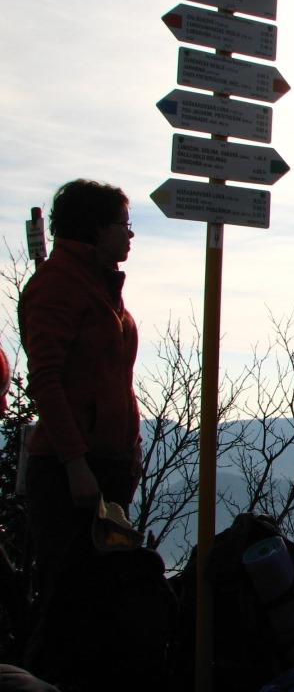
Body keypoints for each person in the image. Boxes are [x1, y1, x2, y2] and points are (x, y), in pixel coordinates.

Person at [17, 179, 141, 676]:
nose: (130, 234)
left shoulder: (100, 284)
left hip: (107, 466)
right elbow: (46, 380)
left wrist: (130, 448)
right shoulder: (58, 285)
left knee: (100, 604)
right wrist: (75, 462)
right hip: (70, 472)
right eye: (123, 224)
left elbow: (114, 378)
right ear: (96, 228)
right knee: (67, 604)